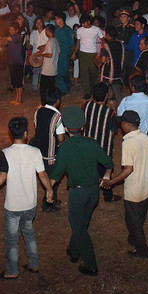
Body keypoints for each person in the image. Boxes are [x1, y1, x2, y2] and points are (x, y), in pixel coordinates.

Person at [0, 117, 54, 279]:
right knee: (29, 233)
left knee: (12, 239)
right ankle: (34, 264)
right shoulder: (35, 152)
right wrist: (49, 190)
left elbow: (2, 176)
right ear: (26, 133)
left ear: (10, 133)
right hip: (30, 204)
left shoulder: (6, 154)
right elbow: (42, 174)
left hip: (13, 206)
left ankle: (12, 270)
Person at [48, 105, 114, 276]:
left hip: (77, 193)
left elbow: (56, 175)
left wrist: (48, 190)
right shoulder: (92, 143)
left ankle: (91, 265)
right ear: (83, 127)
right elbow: (109, 164)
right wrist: (106, 177)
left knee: (79, 228)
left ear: (67, 128)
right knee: (82, 223)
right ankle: (73, 251)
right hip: (93, 192)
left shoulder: (65, 148)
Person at [102, 110, 148, 259]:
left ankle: (142, 250)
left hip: (134, 189)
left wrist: (111, 182)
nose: (120, 127)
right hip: (147, 186)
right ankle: (133, 239)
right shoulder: (145, 137)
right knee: (140, 216)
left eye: (122, 124)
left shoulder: (128, 143)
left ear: (127, 125)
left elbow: (128, 169)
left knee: (133, 222)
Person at [82, 82, 119, 203]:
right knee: (105, 173)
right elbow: (113, 132)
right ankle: (108, 196)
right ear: (106, 96)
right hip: (103, 150)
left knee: (88, 172)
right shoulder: (110, 113)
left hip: (87, 147)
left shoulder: (85, 106)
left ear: (93, 96)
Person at [31, 87, 65, 212]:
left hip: (39, 151)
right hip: (51, 155)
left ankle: (52, 199)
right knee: (53, 178)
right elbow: (61, 138)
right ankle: (48, 203)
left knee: (44, 175)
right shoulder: (57, 116)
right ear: (57, 101)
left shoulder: (38, 112)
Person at [73, 15, 103, 98]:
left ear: (88, 22)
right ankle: (86, 92)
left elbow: (103, 39)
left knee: (93, 73)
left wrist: (101, 53)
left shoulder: (96, 29)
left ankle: (92, 89)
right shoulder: (79, 30)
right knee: (84, 73)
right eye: (81, 23)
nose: (82, 25)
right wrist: (75, 52)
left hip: (93, 53)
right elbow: (78, 42)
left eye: (84, 23)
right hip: (82, 53)